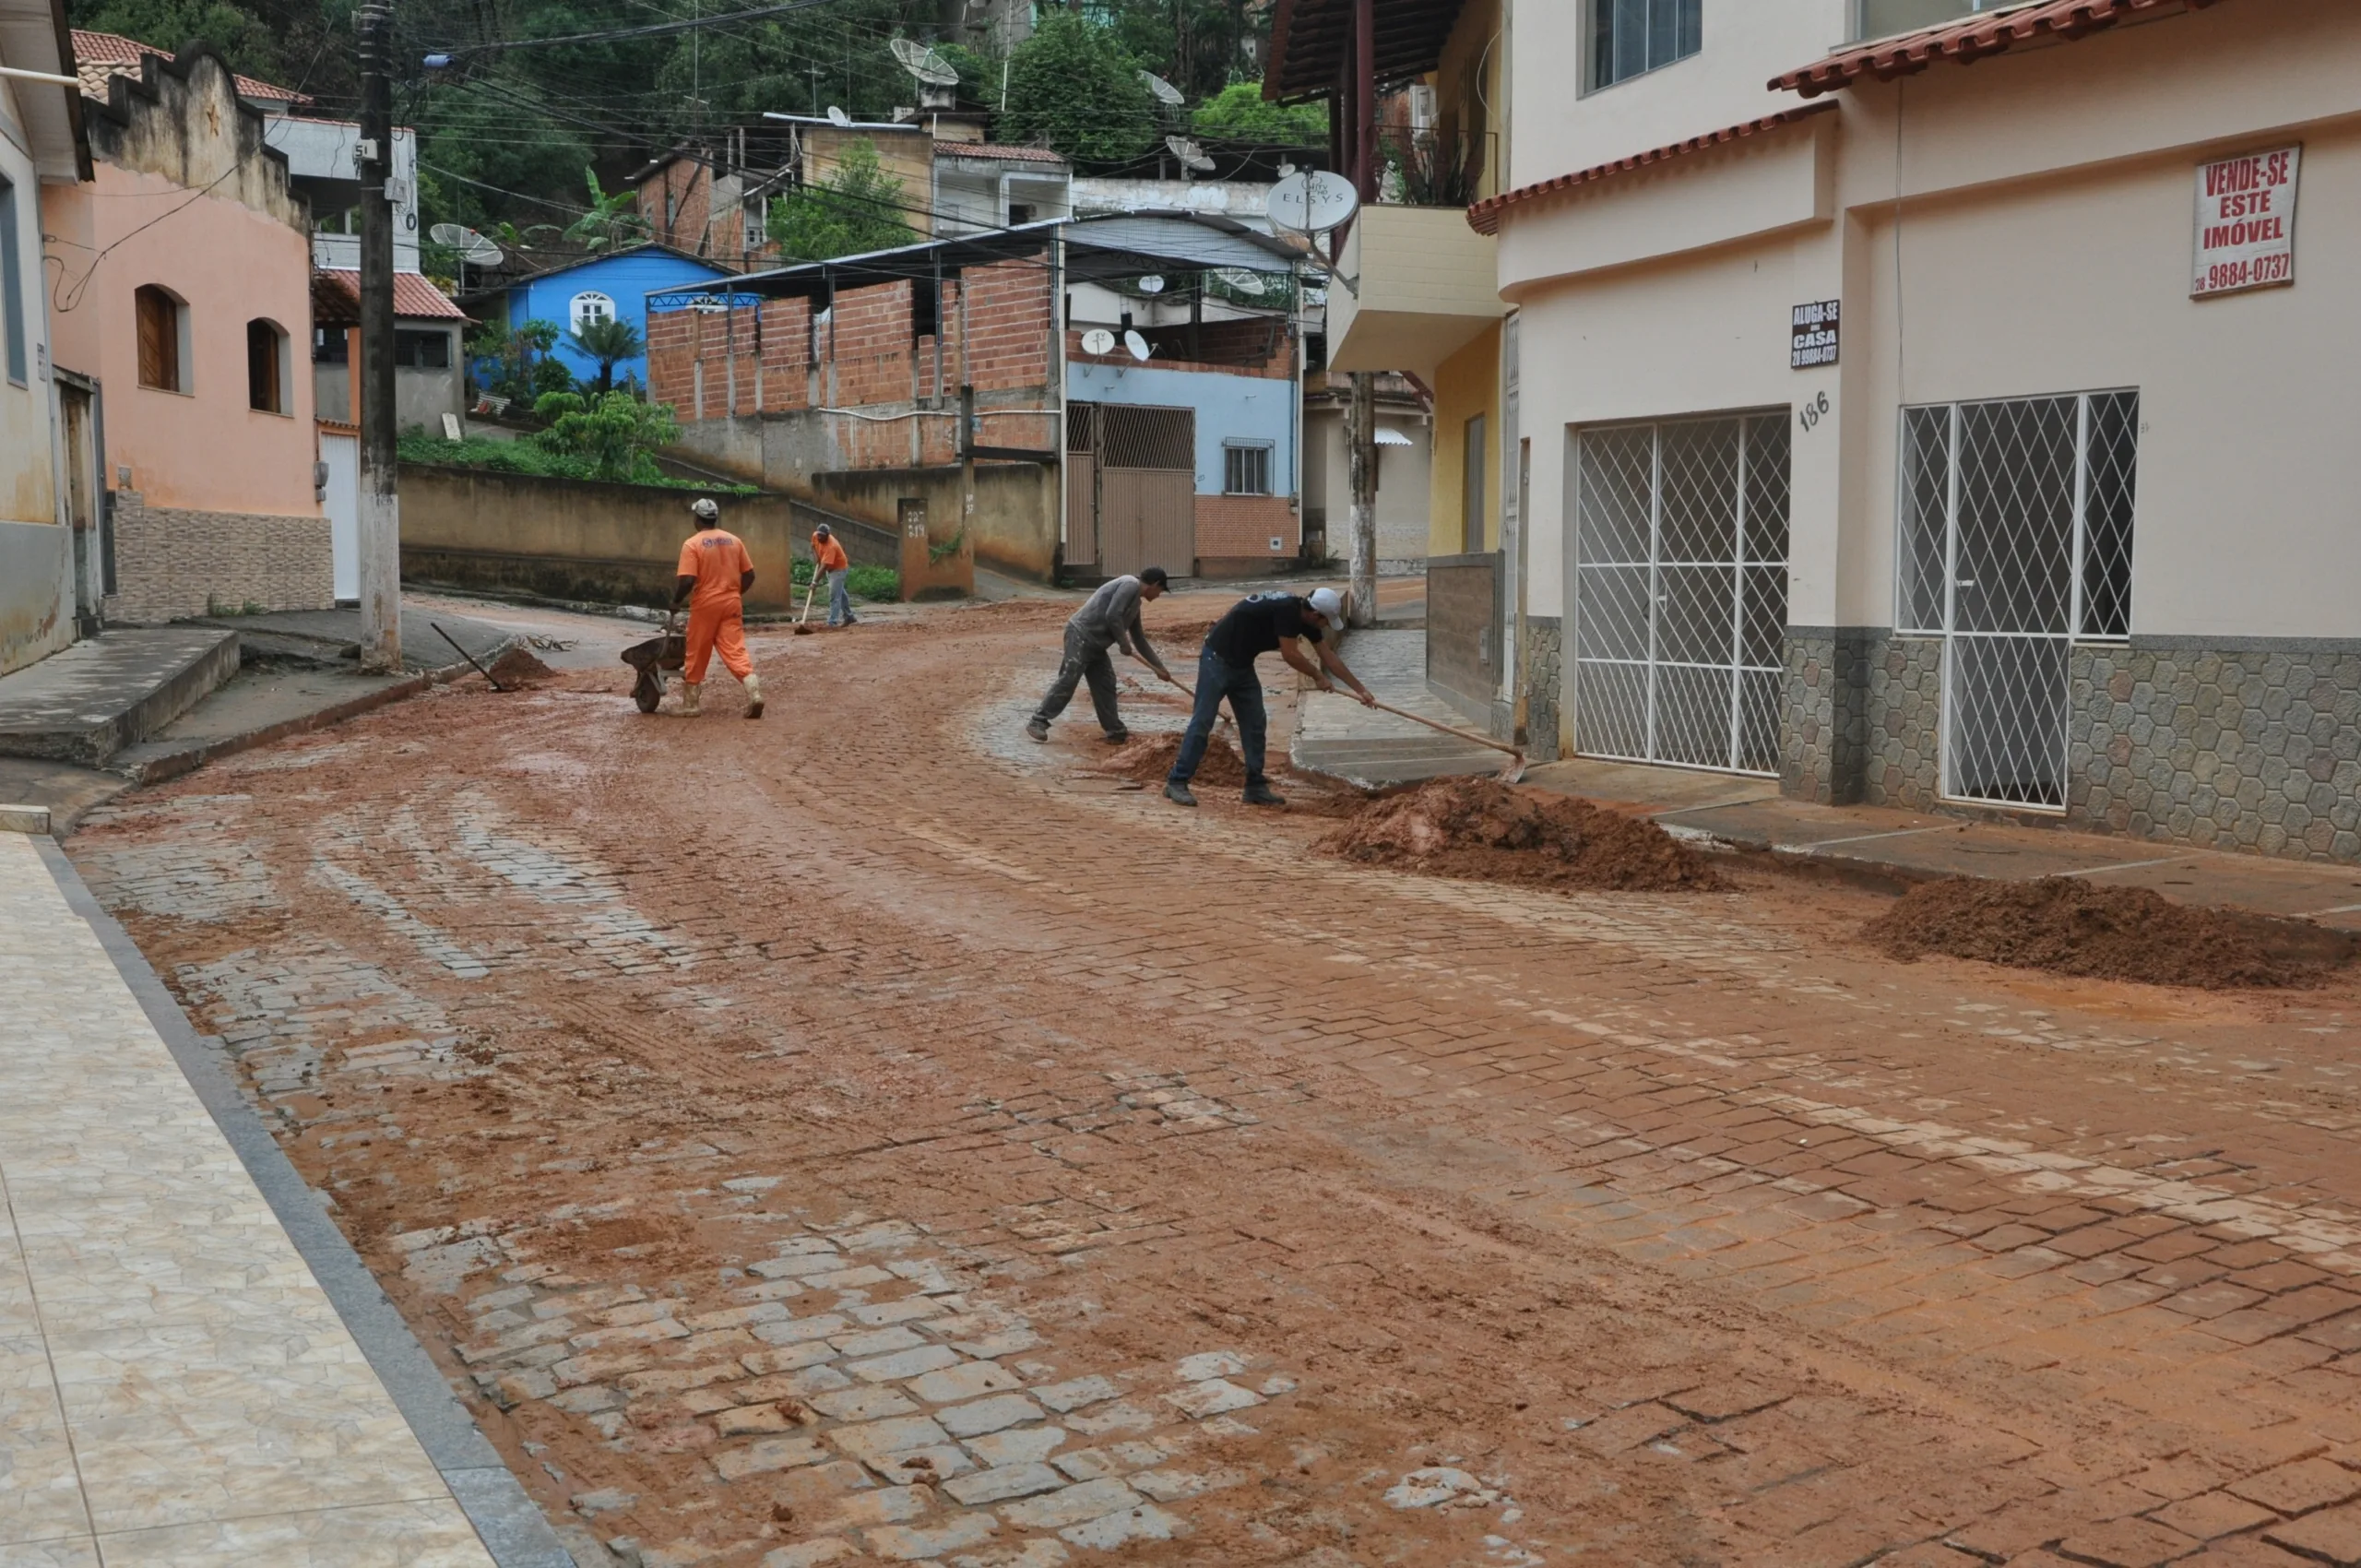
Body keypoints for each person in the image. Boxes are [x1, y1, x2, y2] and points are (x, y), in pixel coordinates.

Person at [1167, 587, 1374, 809]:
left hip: (1243, 664)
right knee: (1203, 721)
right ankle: (1177, 781)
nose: (1325, 626)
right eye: (1326, 621)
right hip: (1216, 659)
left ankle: (1255, 786)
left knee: (1255, 724)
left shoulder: (1305, 617)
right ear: (1316, 615)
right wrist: (1316, 676)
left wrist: (1360, 690)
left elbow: (1329, 656)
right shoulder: (1287, 611)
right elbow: (1290, 655)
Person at [1026, 568, 1173, 746]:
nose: (1159, 595)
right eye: (1160, 591)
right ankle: (1038, 720)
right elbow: (1112, 615)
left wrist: (1159, 668)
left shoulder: (1135, 605)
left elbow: (1140, 640)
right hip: (1080, 634)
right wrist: (1123, 643)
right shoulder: (1130, 584)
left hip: (1096, 645)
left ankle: (1115, 731)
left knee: (1105, 684)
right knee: (1069, 678)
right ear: (1155, 584)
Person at [672, 497, 763, 719]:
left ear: (697, 518)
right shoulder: (734, 541)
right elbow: (750, 575)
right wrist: (733, 594)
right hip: (732, 602)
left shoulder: (692, 544)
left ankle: (691, 704)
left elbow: (686, 580)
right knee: (735, 650)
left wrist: (675, 601)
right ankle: (754, 693)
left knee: (696, 651)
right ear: (714, 518)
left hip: (705, 605)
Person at [813, 523, 856, 627]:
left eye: (822, 535)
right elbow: (813, 546)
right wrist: (817, 556)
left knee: (834, 596)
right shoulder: (815, 535)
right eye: (818, 534)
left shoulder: (832, 546)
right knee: (840, 593)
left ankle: (832, 622)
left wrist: (814, 582)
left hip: (839, 570)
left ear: (827, 535)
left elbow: (823, 567)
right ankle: (849, 616)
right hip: (831, 569)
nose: (819, 537)